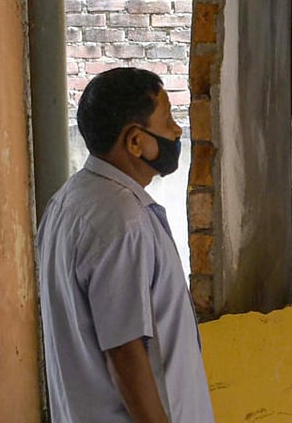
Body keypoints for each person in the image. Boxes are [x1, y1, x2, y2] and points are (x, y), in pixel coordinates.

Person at [37, 67, 215, 423]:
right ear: (135, 141)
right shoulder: (122, 221)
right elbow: (126, 352)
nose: (177, 131)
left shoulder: (68, 201)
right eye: (168, 121)